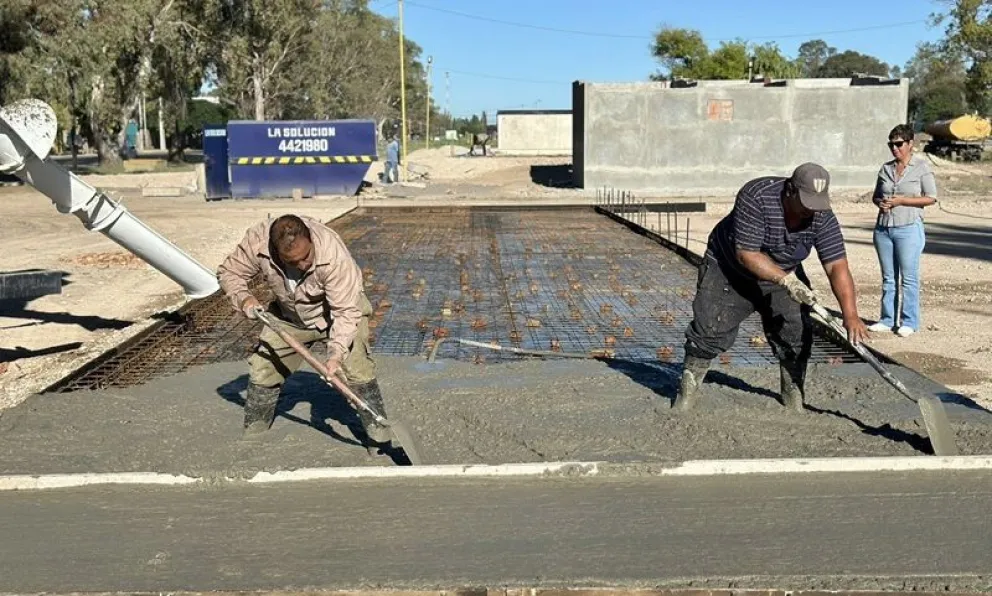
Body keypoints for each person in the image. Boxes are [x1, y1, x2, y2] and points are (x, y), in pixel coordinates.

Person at [673, 162, 869, 413]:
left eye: (817, 203)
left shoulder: (821, 214)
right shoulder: (757, 198)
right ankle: (686, 395)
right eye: (806, 202)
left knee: (795, 329)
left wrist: (850, 315)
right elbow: (747, 255)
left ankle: (792, 395)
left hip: (783, 270)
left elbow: (837, 266)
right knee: (710, 327)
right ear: (790, 190)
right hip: (730, 269)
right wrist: (788, 281)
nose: (812, 210)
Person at [217, 214, 393, 454]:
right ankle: (254, 436)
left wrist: (334, 356)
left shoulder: (332, 254)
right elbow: (229, 273)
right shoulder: (258, 241)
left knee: (358, 371)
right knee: (263, 371)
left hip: (338, 312)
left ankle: (380, 440)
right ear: (276, 253)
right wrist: (244, 298)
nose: (302, 265)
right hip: (290, 316)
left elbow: (345, 313)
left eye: (306, 257)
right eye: (293, 261)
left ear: (310, 239)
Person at [868, 124, 937, 337]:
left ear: (910, 144)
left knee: (908, 278)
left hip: (908, 229)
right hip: (884, 229)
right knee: (889, 278)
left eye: (899, 144)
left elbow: (931, 197)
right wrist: (881, 202)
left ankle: (909, 321)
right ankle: (887, 319)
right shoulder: (885, 169)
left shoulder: (921, 168)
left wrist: (902, 201)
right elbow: (876, 195)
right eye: (891, 144)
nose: (894, 148)